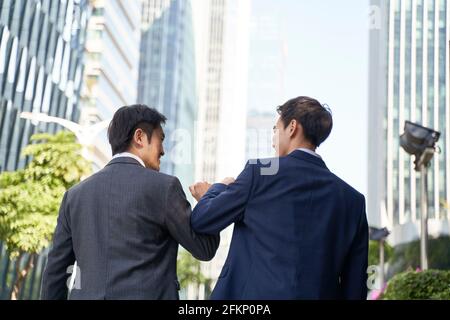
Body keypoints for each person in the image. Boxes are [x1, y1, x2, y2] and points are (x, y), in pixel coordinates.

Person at [189, 96, 368, 300]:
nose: (273, 139)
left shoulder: (261, 173)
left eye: (275, 129)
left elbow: (202, 220)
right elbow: (355, 289)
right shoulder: (353, 201)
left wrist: (216, 189)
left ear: (292, 127)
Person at [41, 105, 219, 300]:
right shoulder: (164, 187)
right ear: (140, 137)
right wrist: (210, 200)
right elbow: (204, 248)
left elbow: (55, 274)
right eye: (161, 139)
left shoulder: (74, 196)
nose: (163, 151)